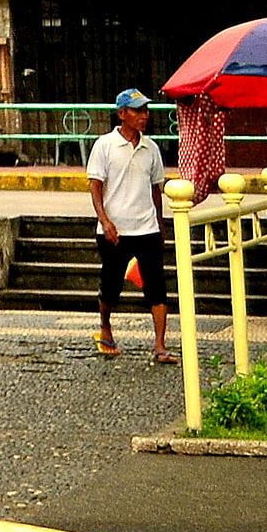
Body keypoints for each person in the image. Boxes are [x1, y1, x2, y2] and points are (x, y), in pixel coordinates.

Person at [89, 89, 173, 363]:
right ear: (122, 113)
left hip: (146, 227)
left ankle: (160, 344)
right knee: (111, 284)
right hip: (115, 229)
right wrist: (104, 220)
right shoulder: (104, 145)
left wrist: (160, 224)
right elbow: (96, 186)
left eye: (145, 111)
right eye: (137, 111)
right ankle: (105, 326)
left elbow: (155, 189)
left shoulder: (151, 149)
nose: (144, 116)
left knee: (157, 286)